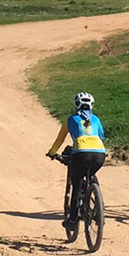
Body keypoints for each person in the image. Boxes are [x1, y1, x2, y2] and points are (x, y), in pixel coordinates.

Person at [47, 91, 106, 234]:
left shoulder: (71, 119)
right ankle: (99, 208)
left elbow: (60, 140)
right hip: (99, 153)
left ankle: (72, 221)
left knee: (77, 186)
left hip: (81, 153)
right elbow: (102, 136)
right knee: (91, 175)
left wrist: (52, 152)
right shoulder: (96, 119)